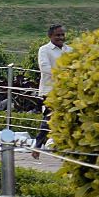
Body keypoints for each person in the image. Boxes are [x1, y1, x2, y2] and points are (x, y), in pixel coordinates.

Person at [31, 24, 69, 156]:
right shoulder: (44, 50)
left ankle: (58, 147)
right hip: (50, 91)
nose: (61, 37)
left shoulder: (70, 50)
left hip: (67, 90)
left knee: (64, 119)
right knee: (50, 117)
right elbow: (45, 68)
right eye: (57, 35)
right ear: (50, 36)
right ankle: (37, 146)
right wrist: (63, 75)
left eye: (62, 34)